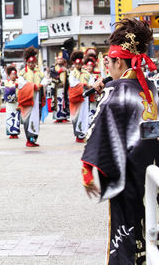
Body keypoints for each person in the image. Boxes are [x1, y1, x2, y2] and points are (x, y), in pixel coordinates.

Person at [80, 18, 158, 264]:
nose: (108, 69)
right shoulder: (154, 89)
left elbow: (97, 131)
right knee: (152, 230)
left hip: (128, 178)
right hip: (154, 174)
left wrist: (87, 171)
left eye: (109, 62)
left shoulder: (114, 92)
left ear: (118, 61)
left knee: (126, 233)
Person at [17, 47, 48, 147]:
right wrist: (33, 86)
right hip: (27, 99)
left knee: (36, 118)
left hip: (37, 99)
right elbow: (21, 84)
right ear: (26, 62)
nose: (31, 64)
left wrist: (42, 85)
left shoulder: (39, 73)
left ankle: (33, 138)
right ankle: (28, 139)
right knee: (27, 119)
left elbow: (45, 81)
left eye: (33, 63)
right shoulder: (23, 73)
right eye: (29, 63)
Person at [68, 51, 92, 143]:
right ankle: (78, 135)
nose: (78, 66)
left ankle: (84, 133)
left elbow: (91, 81)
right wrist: (84, 85)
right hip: (76, 97)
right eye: (76, 64)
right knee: (77, 115)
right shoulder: (72, 73)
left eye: (79, 64)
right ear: (74, 64)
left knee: (85, 114)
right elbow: (73, 83)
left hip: (85, 96)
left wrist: (90, 85)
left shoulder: (86, 73)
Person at [50, 56, 70, 123]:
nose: (60, 61)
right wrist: (59, 72)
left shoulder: (65, 68)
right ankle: (57, 117)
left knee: (64, 102)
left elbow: (68, 78)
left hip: (64, 88)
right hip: (56, 88)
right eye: (59, 59)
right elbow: (52, 75)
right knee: (57, 102)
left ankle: (64, 116)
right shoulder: (53, 68)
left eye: (61, 59)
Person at [4, 66, 20, 139]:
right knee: (9, 117)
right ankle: (10, 133)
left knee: (16, 117)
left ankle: (16, 133)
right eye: (12, 74)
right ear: (9, 75)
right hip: (10, 103)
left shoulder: (19, 82)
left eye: (14, 74)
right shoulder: (7, 82)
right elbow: (8, 89)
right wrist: (14, 86)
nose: (13, 76)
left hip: (16, 102)